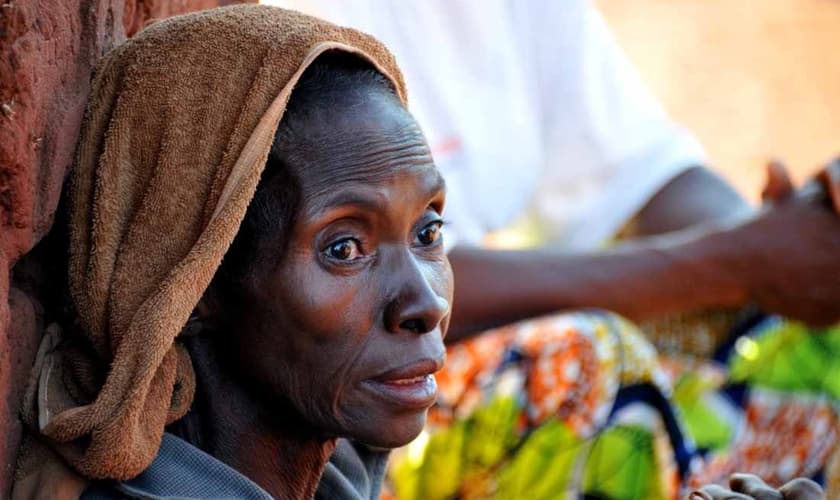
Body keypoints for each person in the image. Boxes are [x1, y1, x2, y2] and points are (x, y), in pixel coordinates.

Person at [267, 1, 840, 498]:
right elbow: (388, 286)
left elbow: (646, 176)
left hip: (453, 373)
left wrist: (799, 239)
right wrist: (735, 262)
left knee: (814, 337)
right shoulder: (292, 23)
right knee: (579, 362)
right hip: (352, 415)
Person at [12, 6, 454, 499]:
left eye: (428, 233)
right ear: (190, 284)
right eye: (344, 248)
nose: (427, 305)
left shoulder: (332, 476)